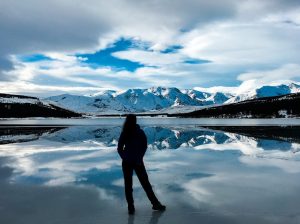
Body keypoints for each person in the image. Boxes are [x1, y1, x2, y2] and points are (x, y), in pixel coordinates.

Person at [118, 114, 166, 215]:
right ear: (135, 121)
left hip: (132, 162)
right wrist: (137, 158)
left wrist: (126, 157)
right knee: (144, 184)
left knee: (130, 185)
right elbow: (143, 147)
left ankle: (132, 207)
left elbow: (120, 148)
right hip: (136, 162)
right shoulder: (135, 132)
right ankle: (153, 204)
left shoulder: (130, 132)